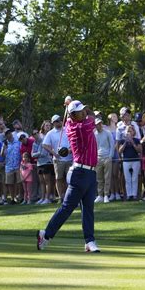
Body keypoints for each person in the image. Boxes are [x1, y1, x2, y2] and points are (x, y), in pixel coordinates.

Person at [37, 99, 101, 253]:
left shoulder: (71, 124)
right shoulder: (81, 127)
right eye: (81, 111)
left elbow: (86, 116)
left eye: (84, 110)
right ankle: (45, 235)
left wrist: (73, 104)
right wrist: (85, 107)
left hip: (90, 172)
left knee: (88, 209)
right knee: (67, 207)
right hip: (80, 173)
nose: (85, 112)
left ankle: (89, 241)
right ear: (73, 115)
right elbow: (94, 116)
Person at [43, 114, 73, 201]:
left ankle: (69, 197)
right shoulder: (50, 133)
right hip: (58, 160)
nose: (58, 122)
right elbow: (44, 145)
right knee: (59, 179)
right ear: (53, 123)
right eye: (56, 121)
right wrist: (54, 153)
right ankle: (61, 197)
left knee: (69, 179)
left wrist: (70, 149)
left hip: (69, 158)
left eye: (59, 120)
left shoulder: (67, 129)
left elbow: (73, 141)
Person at [32, 120, 54, 205]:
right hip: (39, 163)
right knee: (41, 181)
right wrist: (37, 154)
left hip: (48, 162)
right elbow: (33, 153)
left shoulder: (49, 136)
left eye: (49, 125)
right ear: (43, 127)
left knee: (48, 181)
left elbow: (44, 152)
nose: (47, 127)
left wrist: (37, 154)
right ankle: (43, 197)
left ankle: (48, 198)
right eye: (46, 125)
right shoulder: (39, 138)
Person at [118, 125, 142, 200]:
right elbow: (120, 151)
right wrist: (125, 142)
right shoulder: (122, 141)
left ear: (133, 132)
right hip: (126, 161)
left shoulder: (137, 140)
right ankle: (129, 195)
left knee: (134, 178)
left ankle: (134, 194)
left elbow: (139, 150)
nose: (129, 132)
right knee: (127, 178)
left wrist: (132, 142)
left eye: (130, 131)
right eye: (128, 131)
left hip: (135, 161)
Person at [94, 118, 114, 203]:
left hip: (107, 158)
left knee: (107, 177)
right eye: (97, 124)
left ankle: (106, 195)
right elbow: (94, 147)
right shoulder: (94, 134)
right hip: (98, 158)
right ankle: (100, 195)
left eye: (99, 123)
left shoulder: (107, 133)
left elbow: (112, 145)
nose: (98, 125)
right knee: (99, 178)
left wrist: (110, 157)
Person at [1, 129, 22, 204]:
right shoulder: (5, 143)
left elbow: (21, 151)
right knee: (10, 183)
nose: (8, 135)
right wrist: (4, 147)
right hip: (9, 166)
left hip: (17, 165)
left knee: (19, 182)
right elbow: (2, 155)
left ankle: (20, 197)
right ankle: (12, 198)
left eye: (9, 133)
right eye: (7, 134)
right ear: (5, 136)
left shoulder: (18, 141)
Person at [107, 113, 122, 201]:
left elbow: (118, 142)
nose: (116, 118)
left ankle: (117, 193)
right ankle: (112, 193)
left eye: (116, 116)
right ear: (109, 118)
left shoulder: (118, 128)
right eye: (114, 116)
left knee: (116, 174)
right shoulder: (106, 128)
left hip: (116, 153)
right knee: (110, 175)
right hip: (108, 154)